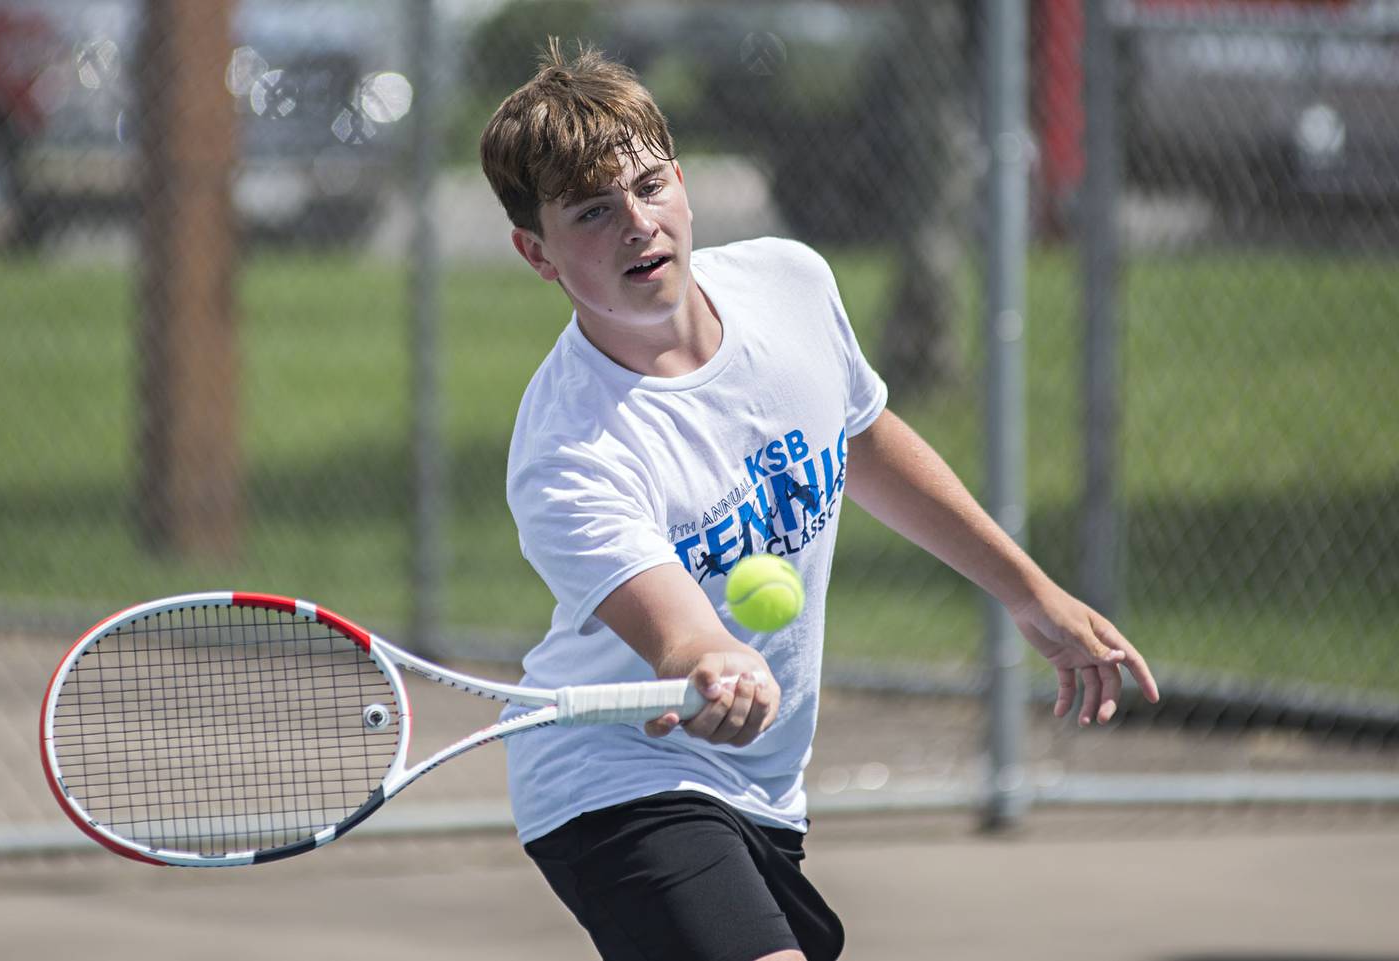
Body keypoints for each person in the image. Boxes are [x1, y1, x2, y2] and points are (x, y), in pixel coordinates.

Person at [479, 39, 1160, 961]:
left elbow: (861, 441)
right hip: (616, 778)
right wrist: (717, 664)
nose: (637, 223)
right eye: (593, 213)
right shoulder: (569, 452)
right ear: (537, 252)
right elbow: (679, 633)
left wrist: (1030, 594)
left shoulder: (789, 285)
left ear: (681, 180)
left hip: (764, 784)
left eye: (649, 186)